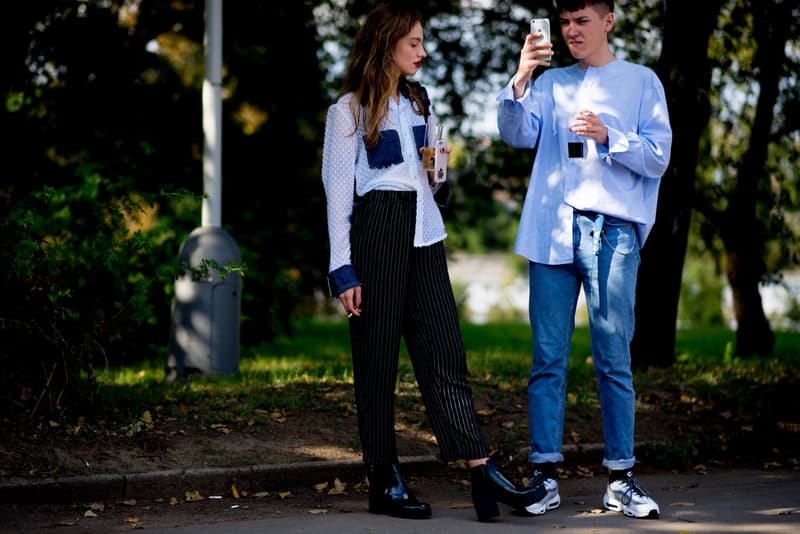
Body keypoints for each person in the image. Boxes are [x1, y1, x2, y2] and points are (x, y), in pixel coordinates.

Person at [321, 1, 545, 523]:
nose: (422, 52)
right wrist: (343, 270)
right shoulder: (348, 111)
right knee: (375, 362)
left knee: (445, 353)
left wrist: (439, 173)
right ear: (387, 44)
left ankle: (480, 469)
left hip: (424, 233)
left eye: (422, 42)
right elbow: (337, 196)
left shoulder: (420, 103)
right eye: (414, 42)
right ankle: (384, 477)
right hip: (375, 232)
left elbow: (429, 181)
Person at [495, 0, 672, 520]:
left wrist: (608, 137)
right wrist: (523, 74)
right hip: (551, 230)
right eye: (565, 23)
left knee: (614, 360)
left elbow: (658, 156)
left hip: (612, 233)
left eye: (582, 21)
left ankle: (621, 479)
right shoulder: (550, 85)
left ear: (608, 21)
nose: (571, 31)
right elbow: (515, 133)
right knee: (546, 360)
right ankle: (543, 477)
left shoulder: (641, 81)